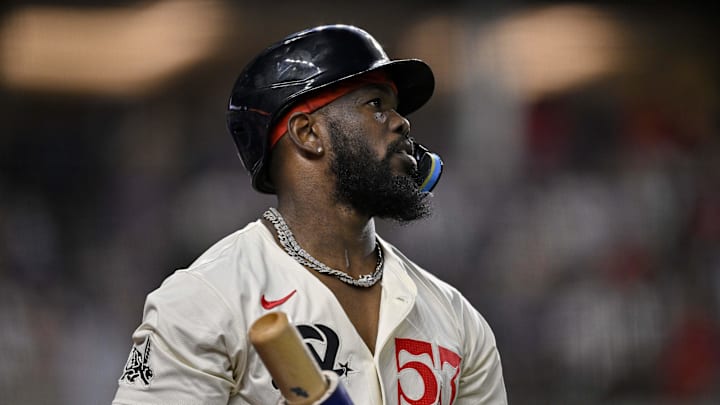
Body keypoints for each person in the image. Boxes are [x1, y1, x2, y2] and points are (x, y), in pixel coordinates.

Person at [112, 24, 507, 405]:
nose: (402, 122)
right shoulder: (206, 299)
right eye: (376, 105)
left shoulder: (457, 319)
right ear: (307, 133)